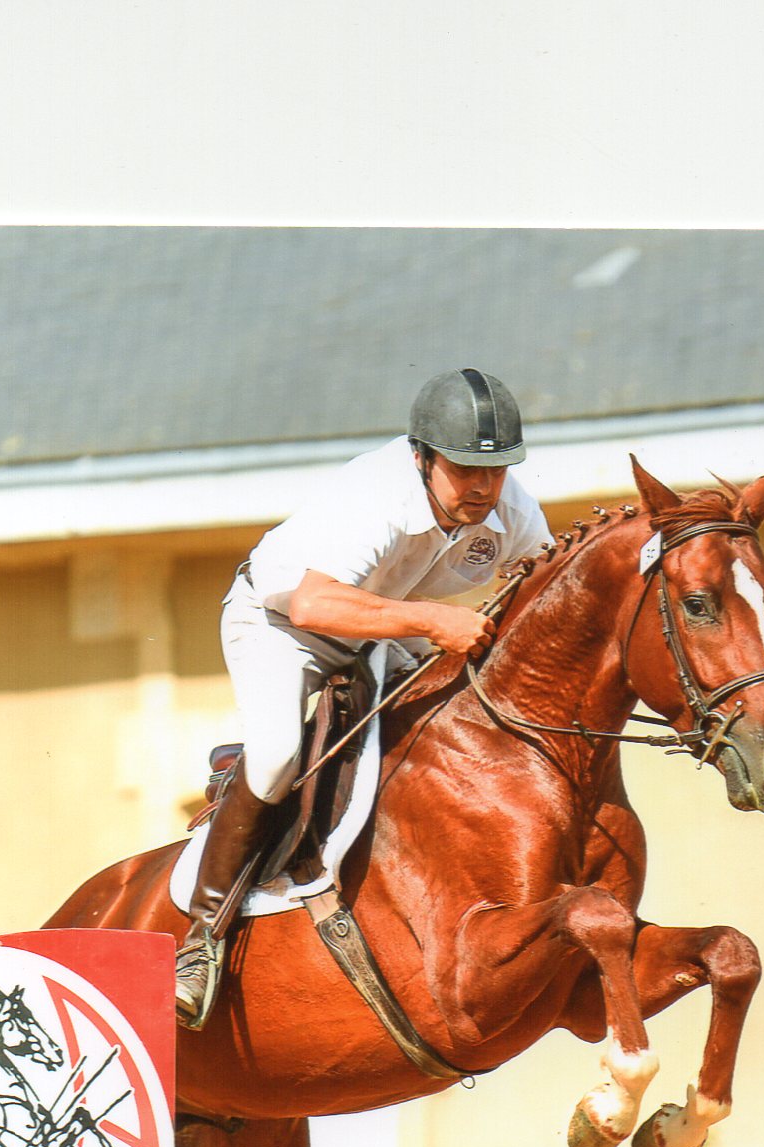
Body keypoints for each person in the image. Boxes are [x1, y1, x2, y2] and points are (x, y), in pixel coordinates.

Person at [176, 368, 552, 1027]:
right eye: (463, 469)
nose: (481, 488)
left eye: (493, 472)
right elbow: (315, 601)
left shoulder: (509, 507)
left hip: (376, 628)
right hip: (282, 623)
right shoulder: (376, 496)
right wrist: (434, 622)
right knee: (274, 757)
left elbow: (545, 591)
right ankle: (201, 937)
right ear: (421, 456)